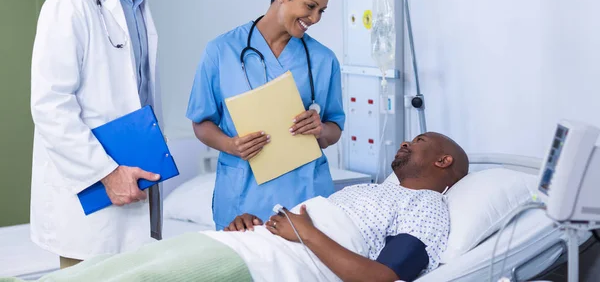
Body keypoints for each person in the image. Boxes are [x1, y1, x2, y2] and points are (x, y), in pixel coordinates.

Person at [16, 132, 468, 282]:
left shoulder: (428, 206)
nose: (408, 141)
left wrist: (303, 232)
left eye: (421, 141)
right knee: (113, 270)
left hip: (278, 261)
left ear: (443, 161)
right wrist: (258, 225)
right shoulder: (377, 189)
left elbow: (385, 277)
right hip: (255, 243)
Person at [30, 0, 180, 267]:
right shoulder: (70, 4)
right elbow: (50, 106)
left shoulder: (137, 2)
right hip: (94, 194)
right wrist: (106, 173)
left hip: (137, 184)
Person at [186, 0, 345, 229]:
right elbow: (201, 123)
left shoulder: (323, 59)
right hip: (243, 198)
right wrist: (230, 145)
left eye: (321, 10)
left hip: (305, 195)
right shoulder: (221, 51)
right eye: (310, 6)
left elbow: (335, 128)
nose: (315, 18)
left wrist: (320, 129)